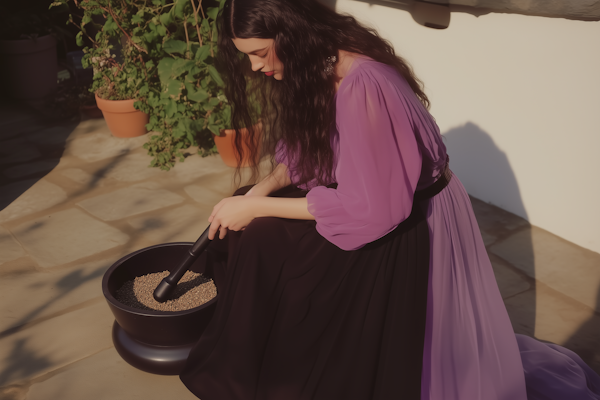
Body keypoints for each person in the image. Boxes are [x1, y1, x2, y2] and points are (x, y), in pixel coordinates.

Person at [180, 0, 600, 399]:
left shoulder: (365, 84)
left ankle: (295, 358)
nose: (254, 66)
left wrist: (256, 208)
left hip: (416, 221)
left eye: (258, 53)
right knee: (252, 219)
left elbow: (372, 209)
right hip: (382, 205)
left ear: (290, 32)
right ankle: (268, 353)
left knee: (267, 237)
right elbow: (307, 148)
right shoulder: (319, 65)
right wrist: (261, 190)